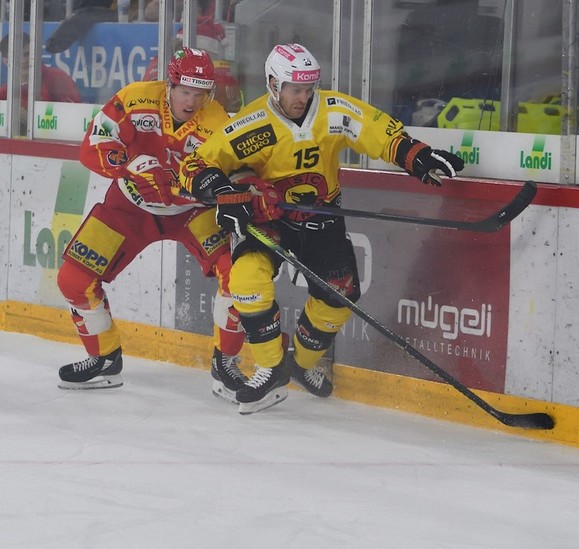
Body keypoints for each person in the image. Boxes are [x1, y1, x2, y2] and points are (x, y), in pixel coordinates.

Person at [179, 43, 464, 415]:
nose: (303, 96)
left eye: (309, 87)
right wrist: (224, 193)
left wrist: (415, 155)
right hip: (269, 218)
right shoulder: (250, 124)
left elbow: (378, 132)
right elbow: (196, 165)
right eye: (294, 88)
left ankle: (301, 362)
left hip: (321, 216)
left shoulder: (334, 110)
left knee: (339, 296)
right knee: (246, 279)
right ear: (272, 83)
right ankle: (270, 369)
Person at [57, 48, 246, 404]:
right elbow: (92, 145)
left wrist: (223, 187)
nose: (192, 101)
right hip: (130, 205)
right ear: (169, 83)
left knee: (236, 277)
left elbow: (234, 173)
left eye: (201, 93)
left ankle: (226, 364)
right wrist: (129, 164)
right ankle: (104, 359)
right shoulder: (135, 97)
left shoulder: (218, 121)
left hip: (192, 212)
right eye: (185, 91)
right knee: (73, 279)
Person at [0, 32, 81, 110]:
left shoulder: (58, 79)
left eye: (27, 54)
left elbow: (73, 115)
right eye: (17, 56)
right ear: (6, 62)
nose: (24, 60)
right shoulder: (4, 93)